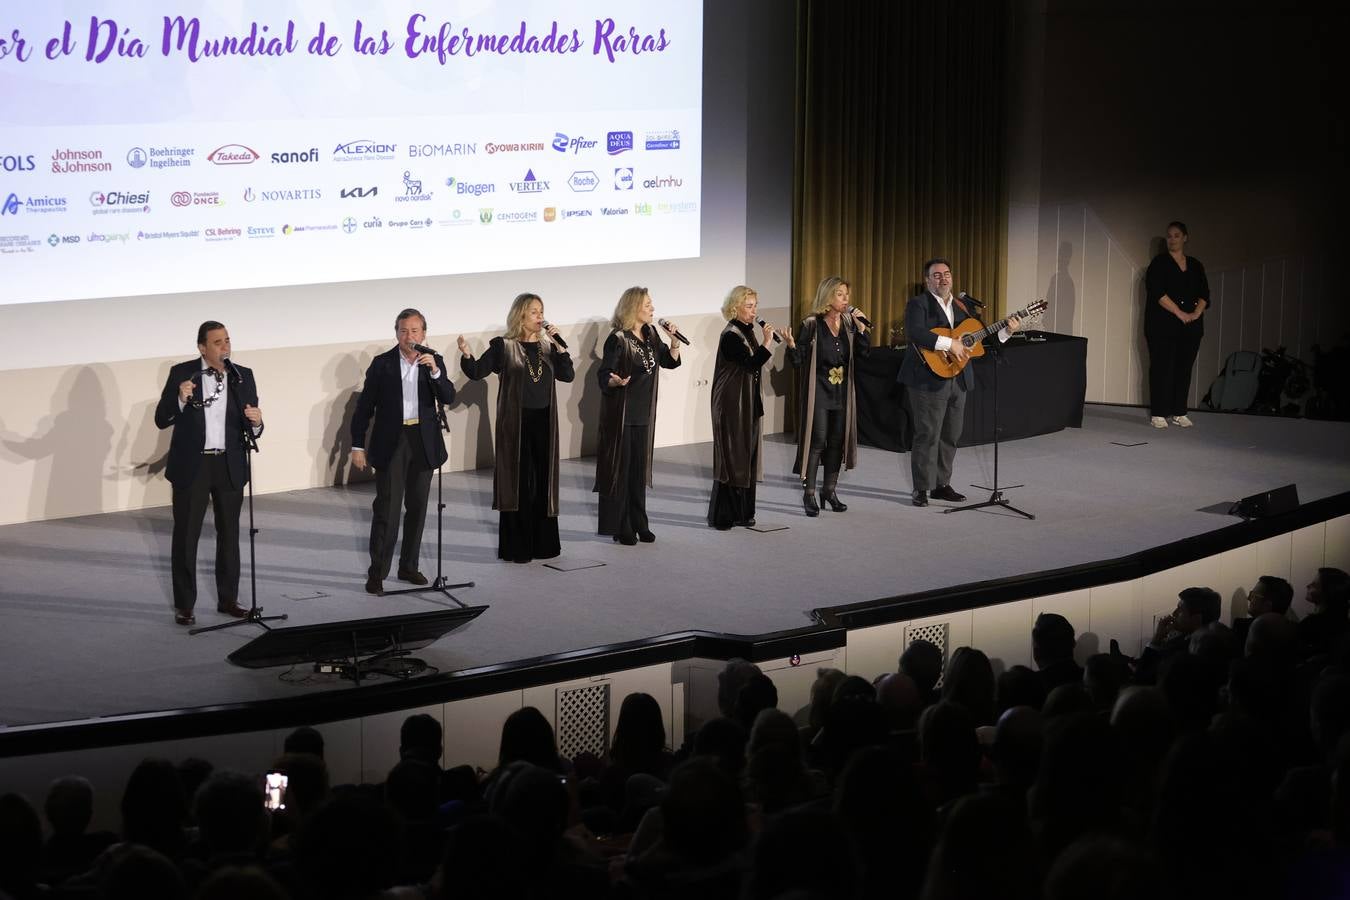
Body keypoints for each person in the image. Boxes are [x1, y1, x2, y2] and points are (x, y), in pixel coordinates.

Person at [154, 321, 264, 626]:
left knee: (229, 535)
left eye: (227, 340)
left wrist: (256, 421)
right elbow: (162, 419)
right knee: (186, 536)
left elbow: (251, 424)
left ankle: (229, 599)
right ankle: (185, 605)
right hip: (193, 466)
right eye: (217, 342)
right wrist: (179, 398)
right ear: (202, 347)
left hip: (229, 465)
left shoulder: (243, 376)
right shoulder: (182, 373)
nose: (225, 346)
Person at [458, 293, 575, 563]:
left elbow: (567, 376)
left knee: (543, 482)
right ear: (521, 315)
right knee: (519, 484)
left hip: (545, 421)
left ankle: (544, 544)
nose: (540, 317)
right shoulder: (504, 346)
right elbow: (477, 371)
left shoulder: (548, 347)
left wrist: (561, 348)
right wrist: (467, 355)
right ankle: (518, 547)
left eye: (541, 311)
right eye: (534, 312)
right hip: (516, 423)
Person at [350, 308, 456, 595]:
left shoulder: (433, 361)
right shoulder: (382, 364)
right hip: (391, 442)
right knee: (387, 509)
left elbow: (449, 397)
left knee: (418, 508)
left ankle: (408, 566)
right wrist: (357, 445)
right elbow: (364, 408)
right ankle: (377, 573)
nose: (409, 336)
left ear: (424, 334)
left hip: (423, 441)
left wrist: (435, 371)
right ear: (396, 333)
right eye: (403, 331)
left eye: (415, 331)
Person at [898, 257, 1020, 507]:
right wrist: (949, 343)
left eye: (947, 274)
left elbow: (983, 340)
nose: (943, 278)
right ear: (927, 280)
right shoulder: (918, 304)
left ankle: (941, 485)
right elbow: (916, 333)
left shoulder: (964, 307)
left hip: (959, 378)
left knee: (951, 434)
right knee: (928, 434)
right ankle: (922, 487)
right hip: (927, 378)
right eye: (937, 275)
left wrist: (1007, 331)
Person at [594, 286, 682, 545]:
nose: (652, 308)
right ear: (633, 308)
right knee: (623, 472)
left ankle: (640, 523)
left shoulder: (652, 333)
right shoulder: (618, 339)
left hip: (643, 414)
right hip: (622, 415)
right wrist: (615, 381)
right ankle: (623, 527)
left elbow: (669, 361)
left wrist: (674, 340)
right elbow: (603, 374)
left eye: (651, 304)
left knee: (637, 473)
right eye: (647, 305)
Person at [789, 275, 869, 516]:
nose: (846, 299)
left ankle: (829, 491)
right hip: (820, 391)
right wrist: (792, 346)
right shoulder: (811, 324)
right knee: (818, 441)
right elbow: (799, 361)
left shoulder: (849, 323)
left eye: (847, 294)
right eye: (840, 294)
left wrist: (863, 330)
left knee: (837, 441)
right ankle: (809, 494)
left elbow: (864, 355)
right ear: (827, 296)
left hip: (842, 391)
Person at [708, 285, 784, 530]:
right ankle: (723, 516)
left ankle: (743, 512)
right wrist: (767, 342)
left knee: (747, 459)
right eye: (749, 306)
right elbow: (751, 364)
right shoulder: (730, 335)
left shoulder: (748, 330)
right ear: (735, 308)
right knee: (732, 459)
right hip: (731, 405)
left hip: (748, 402)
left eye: (755, 306)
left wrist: (765, 343)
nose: (754, 311)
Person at [1144, 221, 1210, 428]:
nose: (1172, 240)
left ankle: (1179, 411)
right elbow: (1157, 293)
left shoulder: (1196, 265)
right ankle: (1159, 413)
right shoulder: (1159, 263)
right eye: (1169, 236)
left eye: (1176, 235)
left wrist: (1195, 313)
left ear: (1185, 238)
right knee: (1162, 367)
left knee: (1184, 368)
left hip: (1190, 325)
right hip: (1163, 324)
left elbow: (1204, 294)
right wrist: (1179, 313)